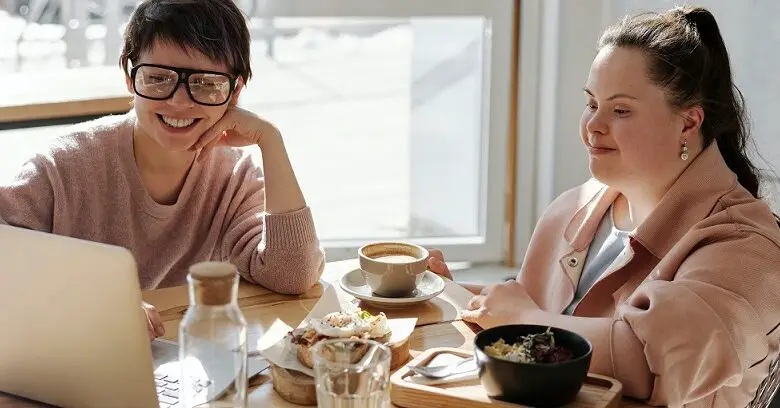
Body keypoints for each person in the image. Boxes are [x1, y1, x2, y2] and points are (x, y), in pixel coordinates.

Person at [428, 6, 780, 408]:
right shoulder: (574, 208)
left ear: (688, 122)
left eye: (621, 110)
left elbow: (648, 363)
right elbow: (537, 312)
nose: (594, 125)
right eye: (592, 103)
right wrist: (447, 291)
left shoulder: (745, 247)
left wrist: (521, 317)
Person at [0, 0, 325, 340]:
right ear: (129, 76)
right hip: (70, 357)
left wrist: (271, 142)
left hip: (181, 362)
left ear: (234, 90)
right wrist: (95, 298)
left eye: (205, 83)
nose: (179, 102)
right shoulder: (63, 166)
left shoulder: (233, 179)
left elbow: (293, 275)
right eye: (157, 78)